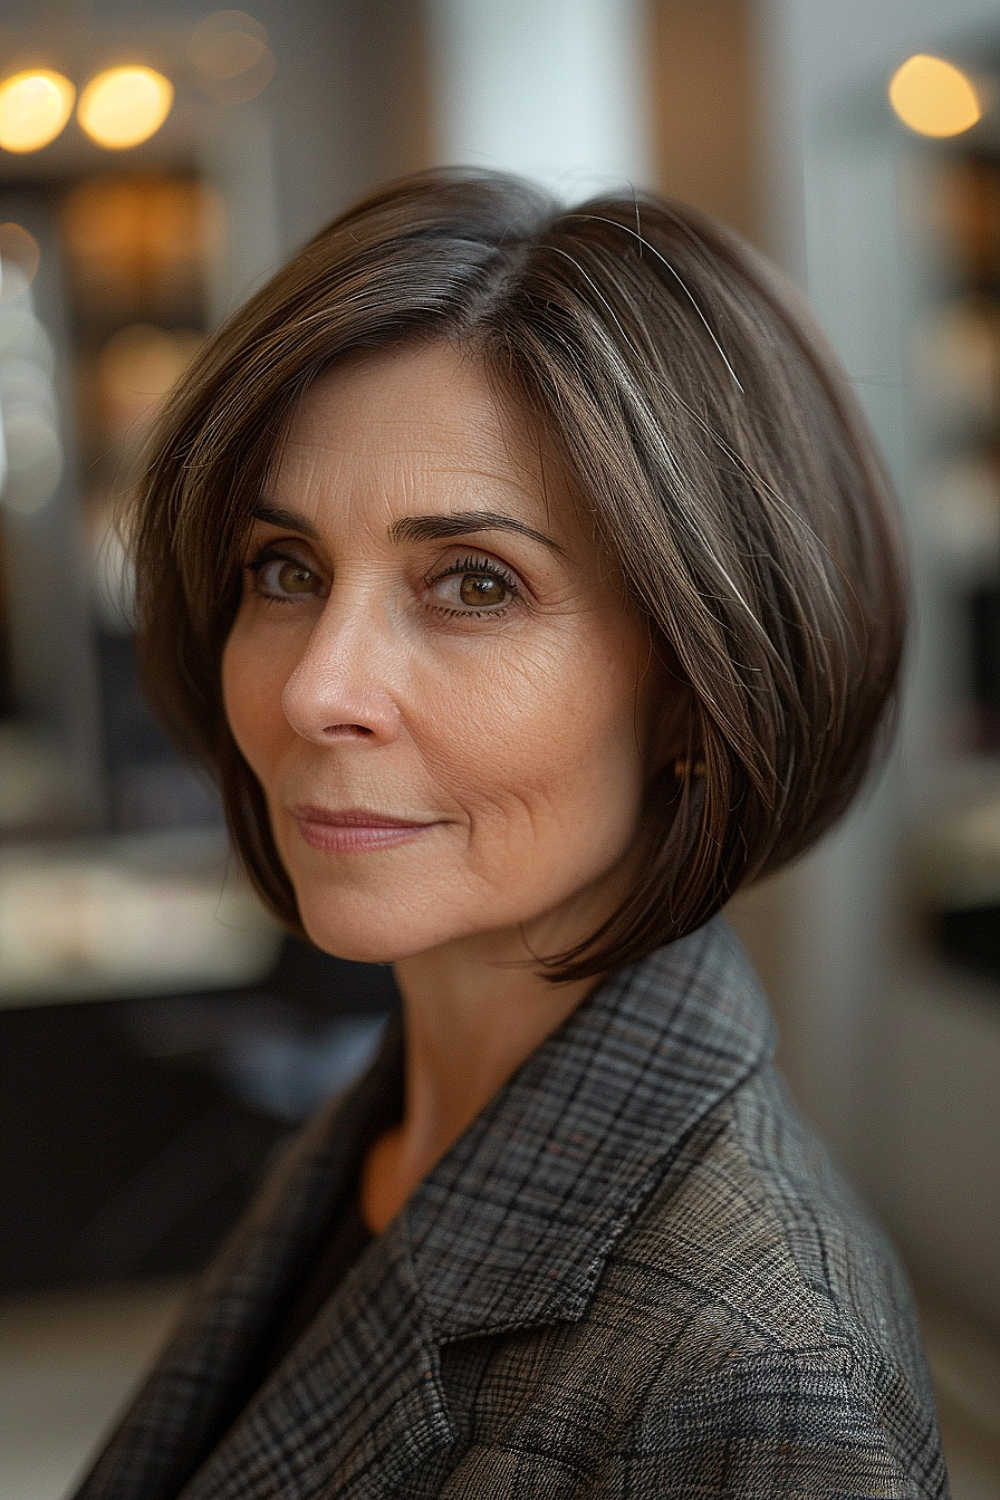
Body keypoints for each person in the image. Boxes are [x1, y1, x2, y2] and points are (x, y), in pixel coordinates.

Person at [73, 170, 948, 1499]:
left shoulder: (749, 1369)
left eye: (474, 584)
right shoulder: (380, 1139)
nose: (317, 687)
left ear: (698, 691)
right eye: (286, 570)